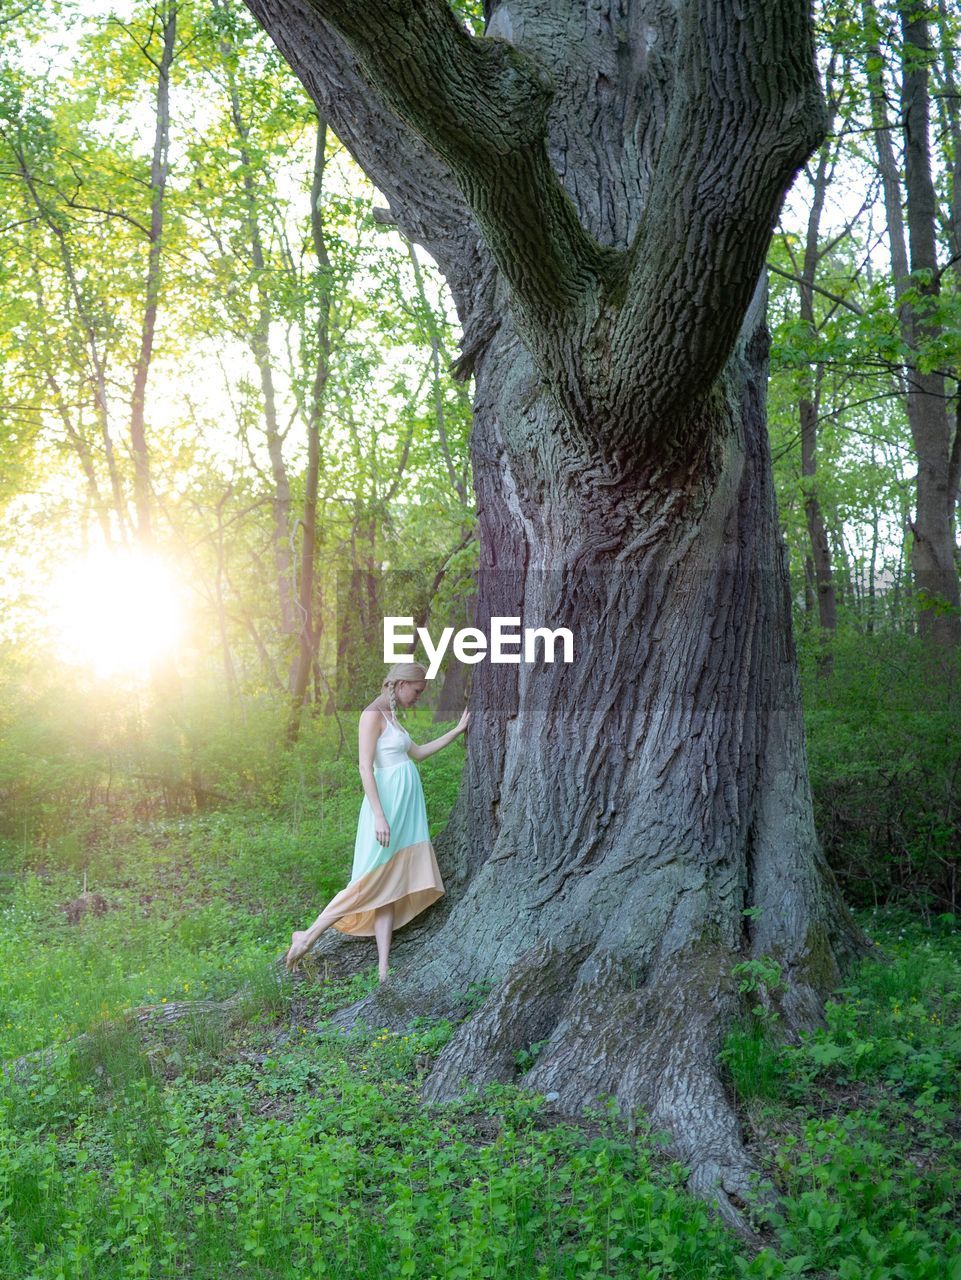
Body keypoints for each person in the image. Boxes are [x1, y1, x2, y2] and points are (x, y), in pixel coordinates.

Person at [284, 662, 469, 982]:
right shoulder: (371, 715)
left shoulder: (392, 716)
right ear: (400, 684)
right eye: (417, 690)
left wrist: (456, 730)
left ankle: (383, 969)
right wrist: (380, 816)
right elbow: (364, 768)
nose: (419, 697)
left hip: (404, 813)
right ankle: (308, 935)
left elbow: (419, 753)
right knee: (367, 883)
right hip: (384, 812)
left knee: (388, 889)